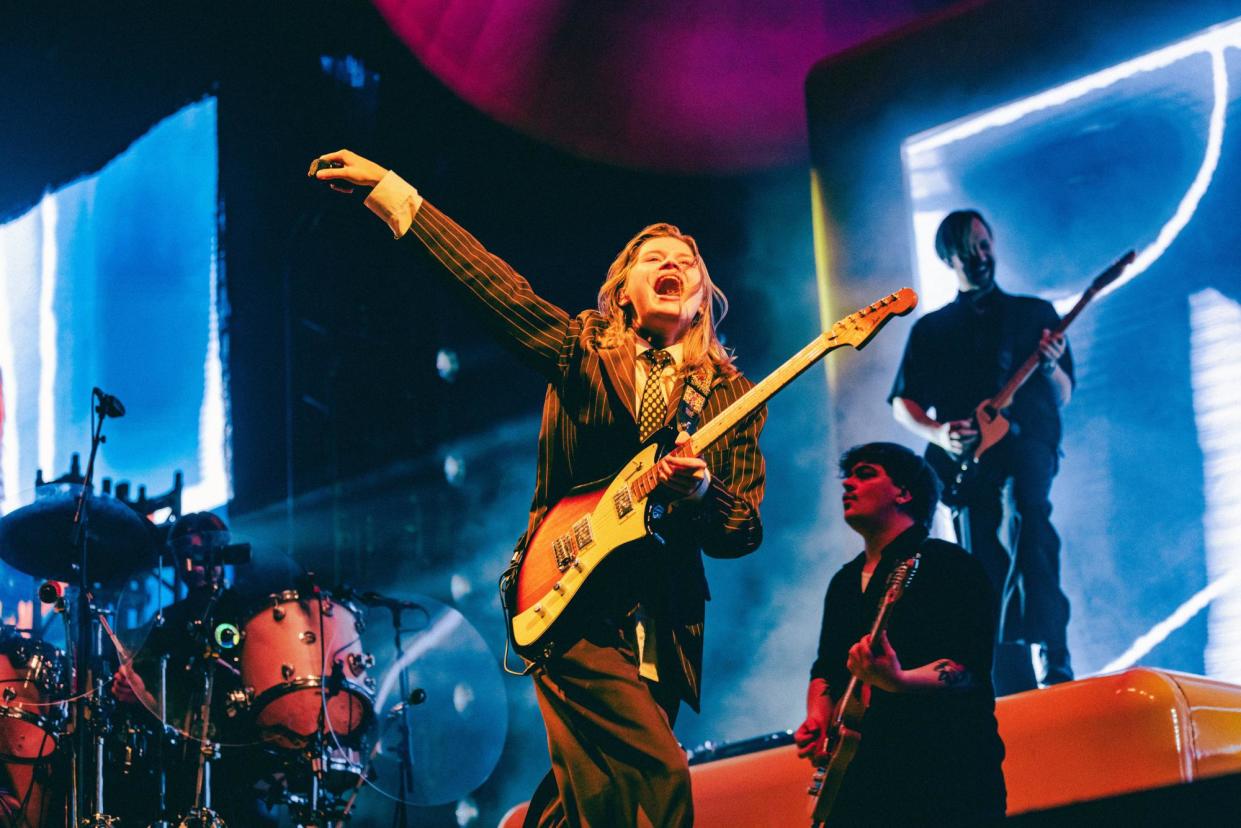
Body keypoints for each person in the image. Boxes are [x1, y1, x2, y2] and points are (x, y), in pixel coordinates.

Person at [311, 150, 766, 827]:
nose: (672, 265)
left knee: (589, 801)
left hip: (659, 621)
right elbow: (493, 287)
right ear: (621, 291)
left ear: (702, 297)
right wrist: (393, 192)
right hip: (567, 598)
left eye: (686, 262)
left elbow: (743, 530)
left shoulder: (729, 397)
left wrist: (700, 492)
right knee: (658, 774)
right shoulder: (580, 349)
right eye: (653, 259)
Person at [889, 209, 1073, 693]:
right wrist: (939, 434)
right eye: (969, 248)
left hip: (1029, 444)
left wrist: (1051, 366)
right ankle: (1006, 677)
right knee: (979, 564)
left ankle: (1053, 655)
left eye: (985, 243)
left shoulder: (1034, 315)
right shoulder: (932, 330)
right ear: (949, 257)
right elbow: (903, 403)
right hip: (967, 464)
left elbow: (1064, 393)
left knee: (1030, 522)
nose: (980, 254)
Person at [795, 442, 1006, 826]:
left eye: (865, 473)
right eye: (848, 475)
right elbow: (825, 667)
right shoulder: (843, 583)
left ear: (904, 493)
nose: (848, 484)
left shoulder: (948, 565)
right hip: (861, 782)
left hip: (943, 776)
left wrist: (898, 680)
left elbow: (967, 667)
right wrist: (818, 718)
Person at [111, 512, 275, 826]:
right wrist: (131, 689)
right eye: (186, 555)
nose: (196, 565)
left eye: (203, 554)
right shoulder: (166, 622)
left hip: (242, 765)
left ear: (222, 554)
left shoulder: (249, 612)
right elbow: (142, 689)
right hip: (178, 766)